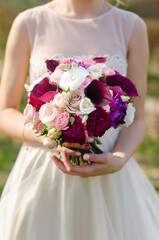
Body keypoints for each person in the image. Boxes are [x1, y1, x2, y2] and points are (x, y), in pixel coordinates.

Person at [0, 0, 159, 239]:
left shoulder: (131, 26)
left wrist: (119, 159)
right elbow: (5, 111)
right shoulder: (28, 23)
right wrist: (49, 136)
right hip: (44, 174)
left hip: (110, 177)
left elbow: (136, 119)